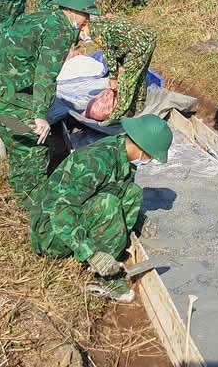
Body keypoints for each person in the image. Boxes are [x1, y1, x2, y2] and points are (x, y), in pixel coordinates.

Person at [0, 0, 99, 210]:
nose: (87, 21)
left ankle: (20, 195)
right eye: (85, 15)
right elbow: (45, 75)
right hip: (2, 96)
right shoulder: (59, 30)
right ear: (71, 11)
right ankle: (34, 207)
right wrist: (40, 116)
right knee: (34, 142)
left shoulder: (45, 17)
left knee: (18, 141)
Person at [29, 114, 172, 302]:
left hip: (71, 217)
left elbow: (120, 190)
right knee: (108, 204)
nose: (150, 160)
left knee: (133, 192)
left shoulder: (123, 155)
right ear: (142, 150)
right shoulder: (95, 161)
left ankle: (111, 253)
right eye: (151, 156)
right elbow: (60, 211)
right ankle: (105, 276)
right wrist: (92, 253)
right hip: (50, 232)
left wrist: (138, 220)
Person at [82, 16, 157, 119]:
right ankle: (138, 106)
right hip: (148, 38)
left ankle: (118, 115)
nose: (82, 38)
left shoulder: (97, 32)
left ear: (84, 26)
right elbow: (117, 44)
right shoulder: (99, 22)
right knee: (139, 75)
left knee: (126, 81)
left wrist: (113, 78)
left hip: (138, 46)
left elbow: (110, 55)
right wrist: (120, 65)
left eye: (81, 33)